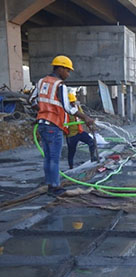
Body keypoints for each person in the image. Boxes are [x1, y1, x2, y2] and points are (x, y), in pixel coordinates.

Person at [30, 55, 95, 197]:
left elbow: (32, 100)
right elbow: (68, 108)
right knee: (54, 158)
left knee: (48, 158)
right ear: (60, 68)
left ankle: (50, 185)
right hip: (54, 126)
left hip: (42, 124)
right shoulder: (60, 86)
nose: (68, 74)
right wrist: (85, 118)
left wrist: (43, 111)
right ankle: (55, 188)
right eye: (67, 70)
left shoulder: (41, 82)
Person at [65, 92, 97, 169]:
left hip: (79, 131)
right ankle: (71, 167)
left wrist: (90, 126)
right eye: (71, 102)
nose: (73, 104)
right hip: (71, 134)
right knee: (71, 151)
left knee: (92, 142)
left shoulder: (77, 107)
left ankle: (93, 157)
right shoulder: (65, 110)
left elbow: (83, 117)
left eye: (73, 102)